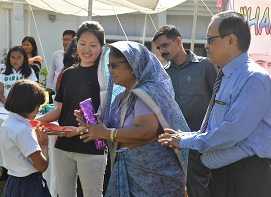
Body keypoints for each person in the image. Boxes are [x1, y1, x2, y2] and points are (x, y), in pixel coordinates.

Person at [158, 10, 271, 197]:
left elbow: (231, 132)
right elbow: (218, 127)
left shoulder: (254, 78)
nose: (206, 45)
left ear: (231, 40)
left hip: (245, 177)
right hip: (222, 175)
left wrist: (186, 140)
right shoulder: (227, 75)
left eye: (211, 39)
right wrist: (186, 136)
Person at [75, 41, 190, 197]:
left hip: (153, 176)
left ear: (132, 65)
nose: (110, 70)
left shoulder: (145, 93)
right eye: (108, 66)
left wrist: (107, 133)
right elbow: (110, 132)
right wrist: (92, 127)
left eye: (114, 65)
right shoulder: (120, 98)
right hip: (131, 171)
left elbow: (146, 131)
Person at [36, 21, 107, 197]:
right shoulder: (67, 73)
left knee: (92, 193)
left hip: (91, 147)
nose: (87, 50)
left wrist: (80, 130)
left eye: (93, 45)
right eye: (82, 44)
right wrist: (33, 121)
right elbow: (59, 110)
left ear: (101, 47)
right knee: (64, 193)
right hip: (63, 146)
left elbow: (108, 116)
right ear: (76, 44)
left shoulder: (105, 77)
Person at [153, 24, 218, 197]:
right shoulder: (162, 74)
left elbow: (218, 102)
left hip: (201, 143)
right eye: (159, 48)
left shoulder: (205, 66)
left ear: (179, 41)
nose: (161, 51)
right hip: (172, 145)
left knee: (200, 189)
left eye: (165, 45)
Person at [0, 79, 51, 197]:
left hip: (13, 181)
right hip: (28, 185)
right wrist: (44, 145)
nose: (38, 110)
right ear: (28, 104)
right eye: (38, 105)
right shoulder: (23, 129)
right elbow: (42, 166)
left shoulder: (7, 123)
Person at [46, 30, 76, 103]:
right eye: (64, 39)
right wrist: (49, 87)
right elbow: (52, 72)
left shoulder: (77, 56)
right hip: (56, 88)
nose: (65, 42)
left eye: (69, 40)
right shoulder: (56, 55)